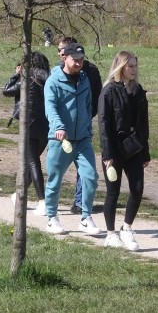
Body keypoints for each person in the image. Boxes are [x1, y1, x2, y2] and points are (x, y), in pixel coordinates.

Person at [43, 42, 101, 236]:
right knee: (55, 179)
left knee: (91, 177)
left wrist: (88, 130)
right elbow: (50, 108)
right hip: (61, 139)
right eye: (75, 60)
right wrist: (58, 127)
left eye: (81, 60)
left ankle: (85, 218)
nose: (79, 64)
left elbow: (87, 106)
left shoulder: (85, 80)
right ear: (64, 58)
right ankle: (52, 217)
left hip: (83, 139)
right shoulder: (53, 81)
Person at [99, 51, 150, 251]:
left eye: (135, 66)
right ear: (120, 68)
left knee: (137, 189)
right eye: (130, 66)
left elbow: (144, 124)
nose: (134, 70)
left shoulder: (138, 91)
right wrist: (107, 154)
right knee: (113, 192)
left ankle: (127, 228)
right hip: (114, 147)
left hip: (135, 146)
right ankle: (111, 234)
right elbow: (104, 124)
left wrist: (145, 151)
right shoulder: (109, 91)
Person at [56, 35, 102, 215]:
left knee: (85, 166)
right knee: (58, 166)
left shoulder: (90, 71)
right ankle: (51, 203)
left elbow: (96, 97)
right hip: (61, 126)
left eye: (60, 49)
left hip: (81, 126)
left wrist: (85, 117)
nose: (59, 53)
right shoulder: (58, 72)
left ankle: (80, 202)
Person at [7, 52, 51, 215]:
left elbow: (7, 91)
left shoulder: (28, 77)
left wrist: (16, 75)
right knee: (33, 161)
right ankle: (19, 195)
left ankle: (42, 201)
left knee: (33, 163)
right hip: (46, 125)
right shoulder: (50, 76)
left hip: (29, 123)